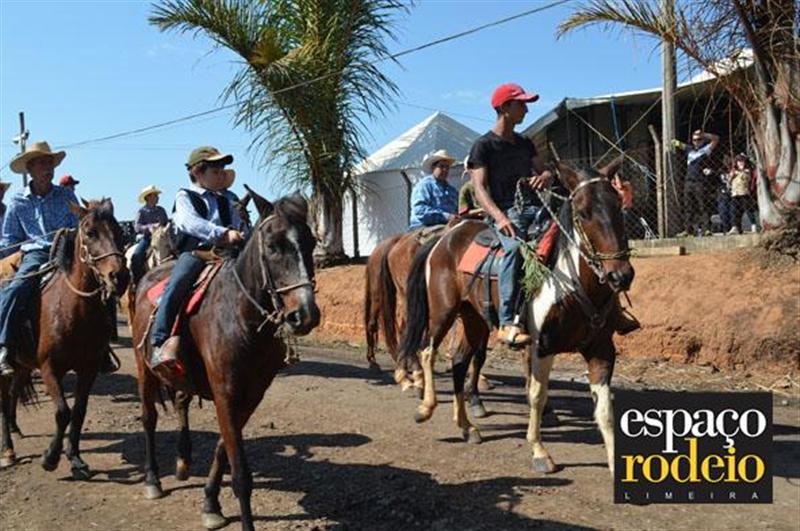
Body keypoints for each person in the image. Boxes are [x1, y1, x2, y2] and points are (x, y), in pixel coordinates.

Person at [0, 141, 113, 376]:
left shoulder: (66, 195)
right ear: (30, 168)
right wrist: (15, 252)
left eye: (50, 163)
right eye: (42, 163)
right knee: (15, 289)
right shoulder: (18, 201)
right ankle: (4, 346)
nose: (47, 168)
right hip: (36, 254)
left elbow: (79, 226)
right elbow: (10, 238)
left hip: (68, 250)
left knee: (102, 286)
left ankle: (102, 347)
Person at [469, 83, 555, 347]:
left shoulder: (525, 143)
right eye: (521, 104)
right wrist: (500, 218)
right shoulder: (483, 146)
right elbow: (479, 188)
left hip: (535, 208)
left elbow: (545, 170)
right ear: (505, 107)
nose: (526, 110)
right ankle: (507, 323)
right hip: (505, 211)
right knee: (515, 249)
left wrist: (545, 176)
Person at [149, 146, 247, 377]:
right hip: (198, 254)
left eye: (222, 169)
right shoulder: (185, 196)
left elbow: (240, 224)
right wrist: (224, 233)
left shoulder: (229, 199)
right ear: (198, 172)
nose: (220, 174)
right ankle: (160, 341)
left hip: (230, 254)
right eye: (215, 170)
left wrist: (243, 230)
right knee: (178, 283)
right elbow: (189, 223)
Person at [673, 130, 720, 237]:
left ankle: (706, 229)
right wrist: (674, 142)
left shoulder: (705, 150)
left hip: (700, 181)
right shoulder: (689, 149)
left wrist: (704, 134)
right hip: (688, 181)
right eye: (694, 140)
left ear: (702, 140)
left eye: (698, 140)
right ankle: (688, 230)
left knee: (702, 205)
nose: (696, 142)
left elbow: (716, 139)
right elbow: (680, 144)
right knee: (688, 206)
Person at [408, 149, 458, 230]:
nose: (445, 170)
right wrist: (446, 216)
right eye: (441, 166)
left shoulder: (452, 190)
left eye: (447, 167)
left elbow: (457, 210)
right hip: (423, 226)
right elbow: (419, 210)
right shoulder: (424, 185)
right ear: (433, 168)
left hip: (447, 226)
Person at [130, 185, 169, 285]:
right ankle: (137, 282)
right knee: (136, 256)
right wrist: (150, 227)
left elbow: (166, 223)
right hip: (148, 238)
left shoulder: (161, 210)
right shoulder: (141, 212)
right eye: (155, 195)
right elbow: (137, 227)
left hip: (163, 237)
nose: (157, 197)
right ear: (148, 197)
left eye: (157, 195)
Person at [728, 153, 753, 234]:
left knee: (747, 209)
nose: (741, 163)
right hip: (735, 194)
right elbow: (729, 182)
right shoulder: (733, 171)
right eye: (739, 161)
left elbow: (747, 178)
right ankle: (735, 226)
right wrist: (731, 175)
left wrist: (740, 171)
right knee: (734, 211)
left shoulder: (747, 171)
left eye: (742, 161)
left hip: (744, 193)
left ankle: (754, 225)